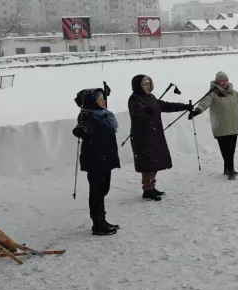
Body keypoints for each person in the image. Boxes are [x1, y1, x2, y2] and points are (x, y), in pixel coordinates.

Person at [188, 71, 238, 179]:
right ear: (217, 81)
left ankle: (227, 169)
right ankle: (230, 171)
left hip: (234, 127)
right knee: (226, 152)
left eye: (226, 80)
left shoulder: (233, 93)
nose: (225, 82)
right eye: (222, 80)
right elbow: (205, 102)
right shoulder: (212, 94)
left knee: (231, 151)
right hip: (221, 127)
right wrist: (197, 110)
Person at [128, 74, 193, 200]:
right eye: (145, 84)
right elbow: (136, 113)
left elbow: (165, 106)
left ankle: (151, 186)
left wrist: (184, 106)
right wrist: (144, 111)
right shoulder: (134, 99)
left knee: (154, 162)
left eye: (149, 84)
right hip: (142, 137)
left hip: (154, 134)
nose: (148, 86)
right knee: (147, 163)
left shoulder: (151, 97)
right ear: (138, 86)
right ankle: (147, 190)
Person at [72, 88, 120, 236]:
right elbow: (85, 127)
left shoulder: (105, 114)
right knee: (97, 191)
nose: (104, 101)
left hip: (106, 158)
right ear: (92, 102)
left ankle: (102, 219)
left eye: (103, 98)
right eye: (100, 99)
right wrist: (82, 130)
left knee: (103, 189)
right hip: (95, 159)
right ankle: (98, 222)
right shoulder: (86, 116)